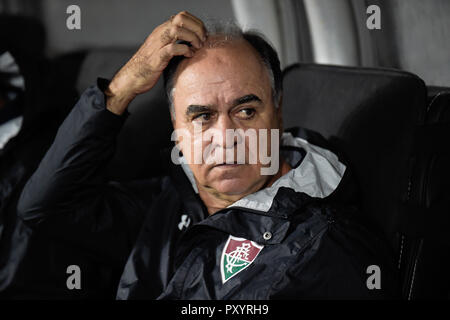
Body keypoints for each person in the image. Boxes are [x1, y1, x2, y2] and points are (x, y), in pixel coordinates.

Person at [16, 11, 399, 299]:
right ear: (176, 130)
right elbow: (44, 207)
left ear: (278, 113)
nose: (226, 137)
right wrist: (121, 89)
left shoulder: (321, 249)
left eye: (246, 111)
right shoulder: (173, 201)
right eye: (202, 117)